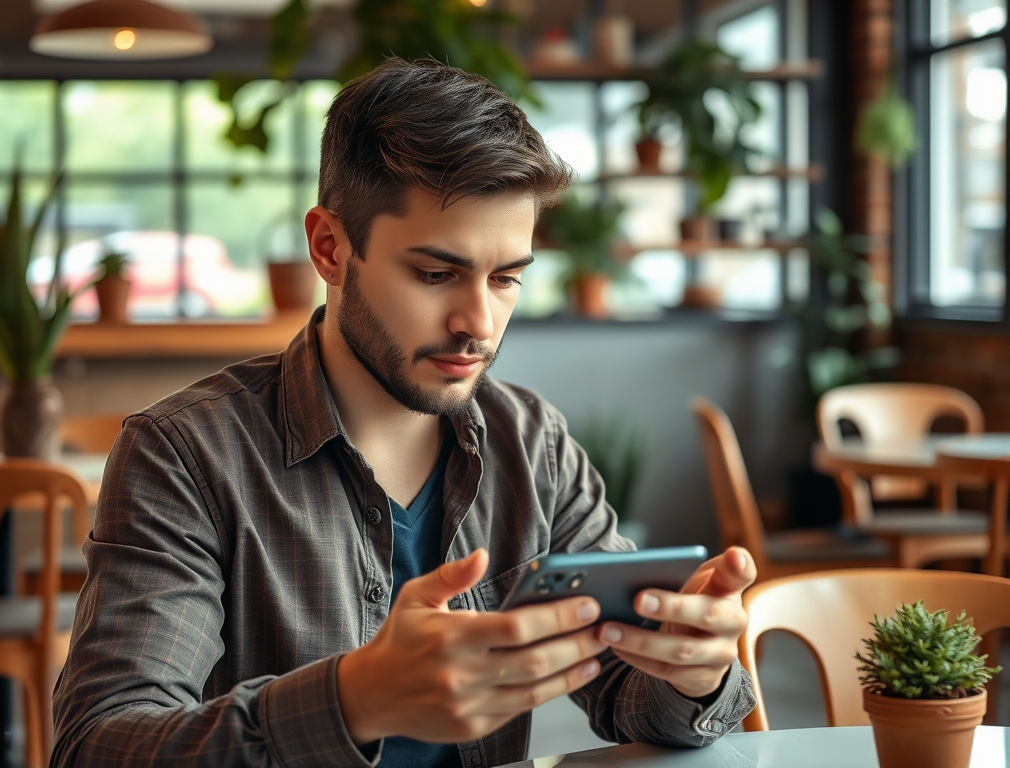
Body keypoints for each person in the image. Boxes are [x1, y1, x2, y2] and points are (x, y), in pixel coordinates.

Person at [51, 58, 756, 768]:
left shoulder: (533, 443)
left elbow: (627, 693)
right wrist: (353, 701)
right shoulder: (186, 455)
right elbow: (100, 744)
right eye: (435, 273)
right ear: (330, 248)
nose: (478, 322)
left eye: (507, 277)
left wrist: (694, 674)